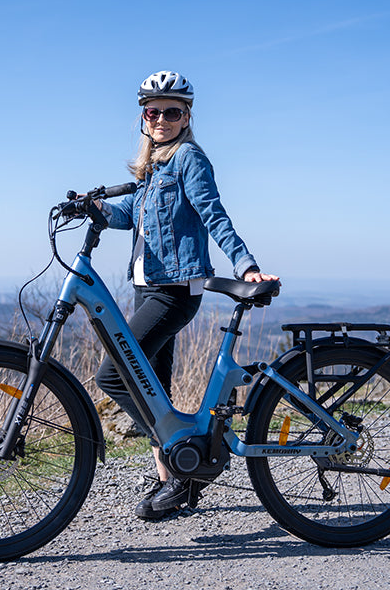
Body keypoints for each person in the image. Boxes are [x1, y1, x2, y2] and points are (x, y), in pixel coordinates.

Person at [95, 70, 279, 520]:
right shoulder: (153, 163)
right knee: (152, 389)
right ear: (144, 116)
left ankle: (182, 467)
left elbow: (213, 214)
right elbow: (132, 213)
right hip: (147, 287)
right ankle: (176, 482)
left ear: (187, 116)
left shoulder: (189, 159)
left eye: (172, 111)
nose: (161, 118)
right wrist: (96, 208)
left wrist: (246, 265)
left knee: (114, 376)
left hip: (175, 290)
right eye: (153, 111)